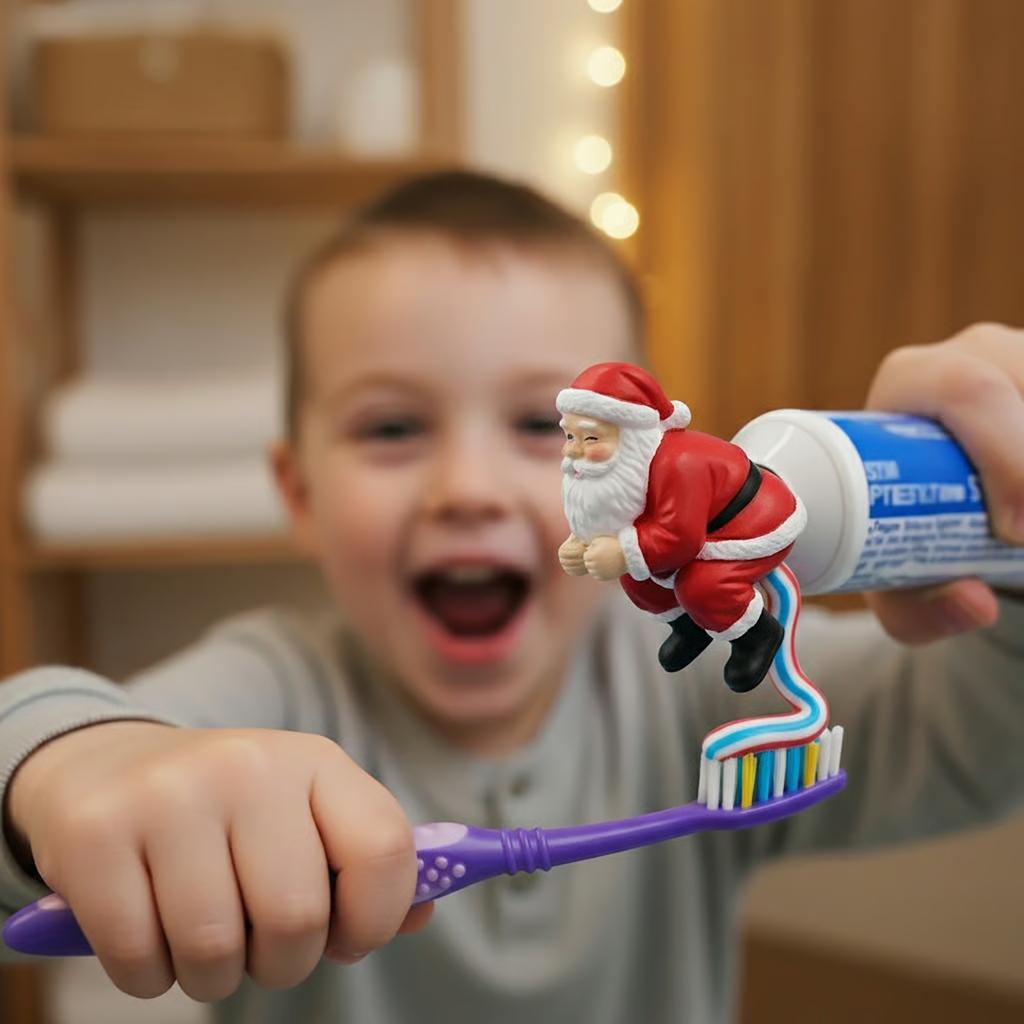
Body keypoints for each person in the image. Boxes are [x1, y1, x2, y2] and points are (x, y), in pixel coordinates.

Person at [1, 171, 1022, 1024]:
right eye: (392, 429)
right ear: (299, 494)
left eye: (548, 429)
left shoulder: (706, 689)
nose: (470, 489)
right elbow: (47, 742)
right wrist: (68, 766)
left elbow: (978, 736)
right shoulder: (278, 688)